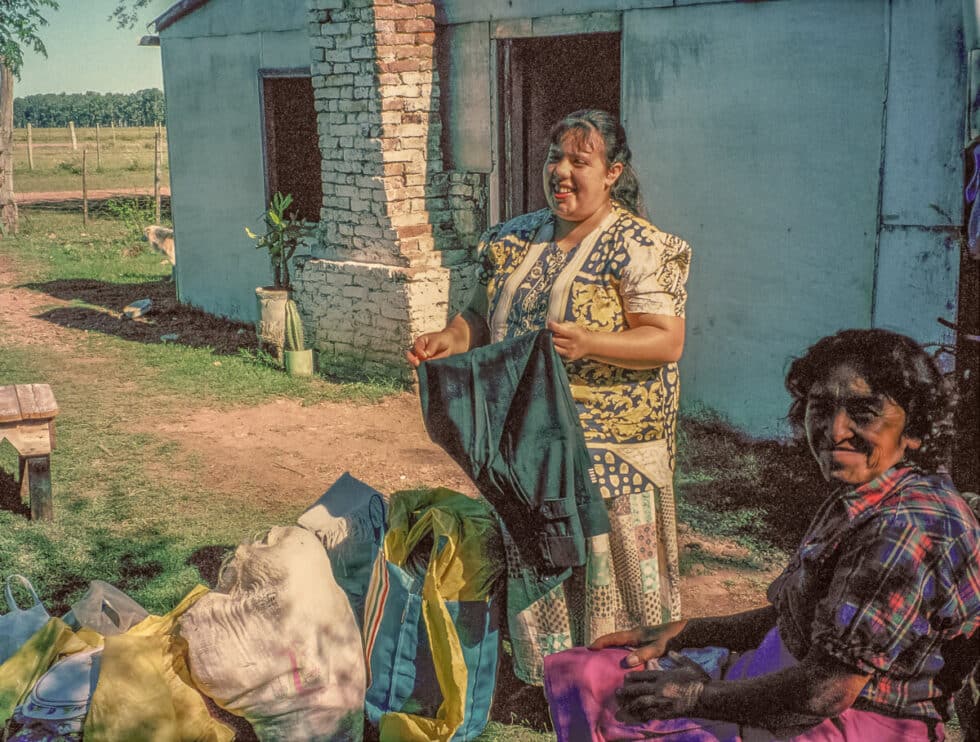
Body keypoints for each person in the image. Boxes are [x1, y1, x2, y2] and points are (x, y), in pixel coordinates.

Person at [558, 328, 980, 741]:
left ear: (915, 430)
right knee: (587, 672)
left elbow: (826, 690)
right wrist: (686, 633)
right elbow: (797, 620)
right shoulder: (869, 494)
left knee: (610, 705)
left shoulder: (904, 527)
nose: (835, 431)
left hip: (844, 721)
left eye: (864, 412)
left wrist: (694, 696)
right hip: (784, 685)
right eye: (820, 407)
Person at [407, 109, 692, 685]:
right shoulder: (512, 239)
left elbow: (666, 340)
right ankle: (551, 677)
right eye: (553, 158)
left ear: (612, 173)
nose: (561, 172)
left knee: (605, 566)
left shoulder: (641, 246)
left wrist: (592, 343)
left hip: (611, 449)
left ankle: (617, 678)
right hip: (529, 441)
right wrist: (447, 339)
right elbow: (478, 317)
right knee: (537, 552)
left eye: (579, 161)